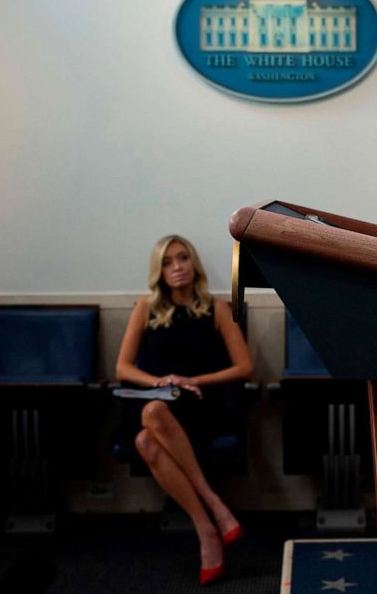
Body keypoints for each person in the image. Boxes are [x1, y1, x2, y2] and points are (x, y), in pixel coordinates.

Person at [116, 234, 253, 586]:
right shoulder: (145, 308)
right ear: (159, 271)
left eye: (182, 258)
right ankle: (210, 520)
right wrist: (160, 382)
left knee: (150, 427)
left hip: (198, 405)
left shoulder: (216, 308)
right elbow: (123, 369)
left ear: (194, 263)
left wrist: (193, 379)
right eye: (167, 262)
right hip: (158, 398)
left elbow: (244, 367)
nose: (177, 267)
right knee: (148, 435)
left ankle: (210, 523)